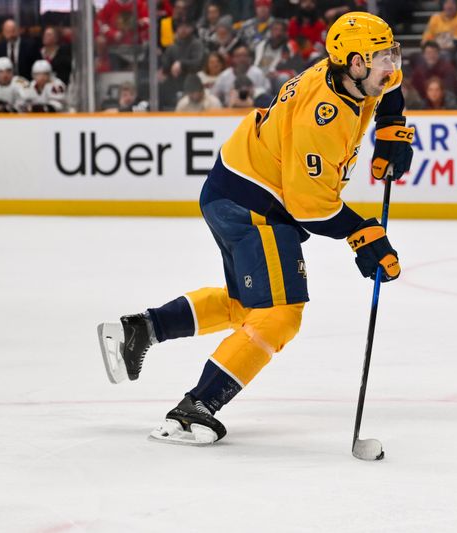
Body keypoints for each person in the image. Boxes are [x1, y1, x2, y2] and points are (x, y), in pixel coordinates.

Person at [97, 12, 414, 446]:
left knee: (248, 307)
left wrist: (391, 129)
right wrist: (364, 234)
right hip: (252, 202)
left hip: (237, 187)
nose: (391, 64)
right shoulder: (319, 119)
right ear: (355, 63)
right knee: (279, 314)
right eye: (381, 57)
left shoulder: (358, 75)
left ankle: (142, 329)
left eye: (391, 53)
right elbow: (311, 208)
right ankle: (193, 411)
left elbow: (391, 89)